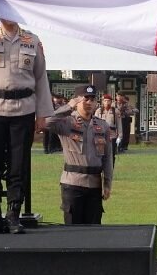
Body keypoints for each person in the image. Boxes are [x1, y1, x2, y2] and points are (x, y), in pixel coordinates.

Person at [0, 18, 53, 236]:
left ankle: (13, 215)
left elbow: (41, 78)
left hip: (23, 109)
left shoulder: (32, 40)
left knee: (19, 165)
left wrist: (43, 113)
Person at [46, 86, 115, 224]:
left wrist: (107, 183)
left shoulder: (102, 126)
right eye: (85, 99)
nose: (89, 102)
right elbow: (46, 122)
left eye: (92, 99)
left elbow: (108, 157)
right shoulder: (66, 122)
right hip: (73, 184)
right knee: (73, 231)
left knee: (93, 230)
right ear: (77, 101)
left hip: (95, 185)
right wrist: (68, 107)